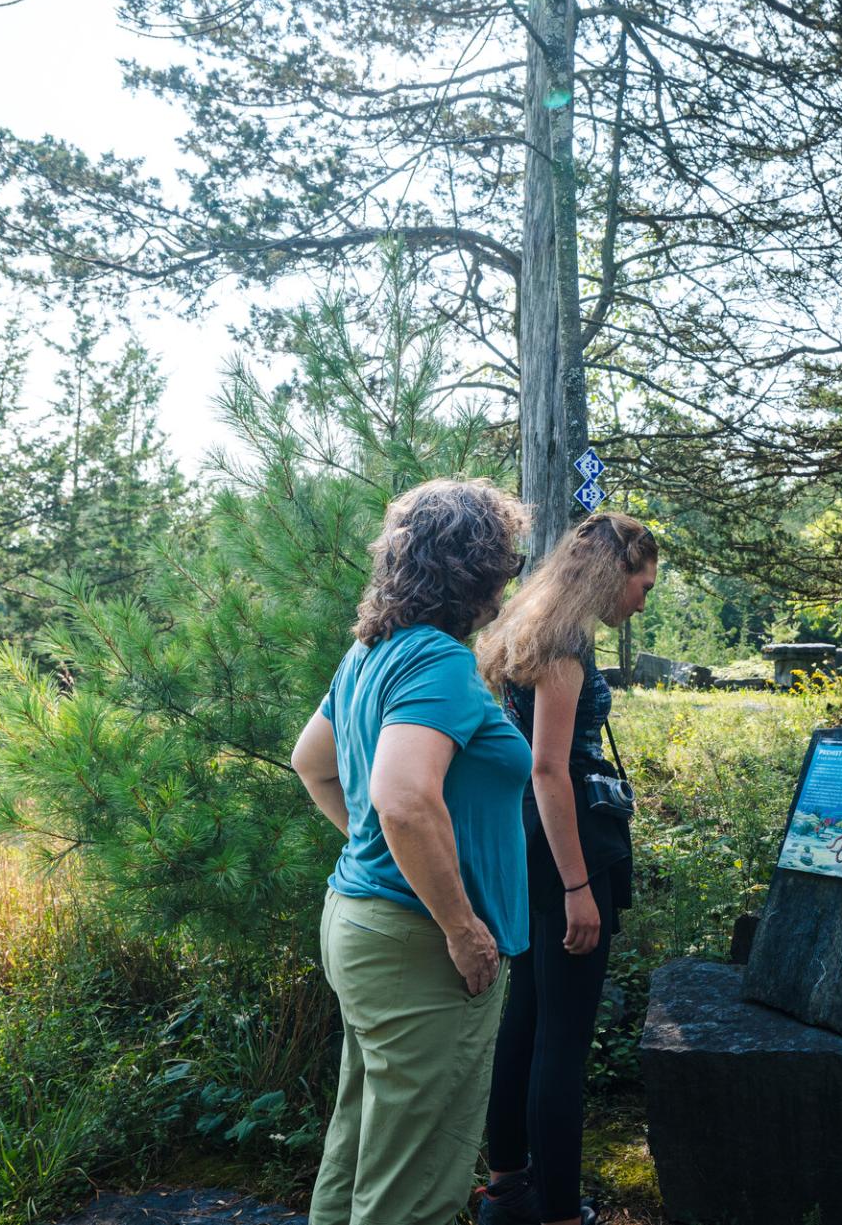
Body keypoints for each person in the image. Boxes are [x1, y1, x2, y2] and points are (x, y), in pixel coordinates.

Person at [288, 478, 534, 1225]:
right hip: (420, 948)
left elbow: (312, 761)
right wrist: (461, 927)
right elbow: (401, 798)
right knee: (413, 1185)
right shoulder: (439, 663)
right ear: (476, 570)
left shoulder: (371, 651)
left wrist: (375, 847)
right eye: (505, 562)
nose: (509, 578)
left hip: (361, 924)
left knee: (363, 1146)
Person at [471, 512, 660, 1225]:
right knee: (563, 1037)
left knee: (526, 1015)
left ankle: (509, 1187)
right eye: (642, 582)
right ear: (615, 573)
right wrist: (579, 886)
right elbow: (550, 769)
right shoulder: (565, 648)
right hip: (565, 846)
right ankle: (556, 1214)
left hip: (532, 842)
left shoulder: (533, 630)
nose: (643, 597)